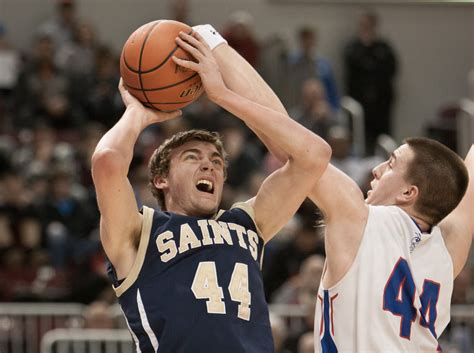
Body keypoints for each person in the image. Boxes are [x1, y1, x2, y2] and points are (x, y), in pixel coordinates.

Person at [202, 24, 473, 353]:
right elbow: (467, 182)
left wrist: (213, 47)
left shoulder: (358, 218)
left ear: (408, 193)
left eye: (390, 164)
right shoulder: (448, 251)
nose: (375, 169)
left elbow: (286, 136)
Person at [91, 29, 331, 353]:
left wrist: (222, 95)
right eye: (193, 157)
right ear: (160, 178)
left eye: (216, 161)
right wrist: (136, 113)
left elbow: (314, 155)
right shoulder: (139, 231)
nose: (209, 166)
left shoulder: (247, 223)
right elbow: (107, 161)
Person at [344, 10, 398, 154]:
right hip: (360, 102)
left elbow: (391, 69)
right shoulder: (353, 47)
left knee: (382, 137)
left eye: (368, 25)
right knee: (361, 137)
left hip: (381, 104)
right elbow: (352, 68)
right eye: (363, 25)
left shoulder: (384, 47)